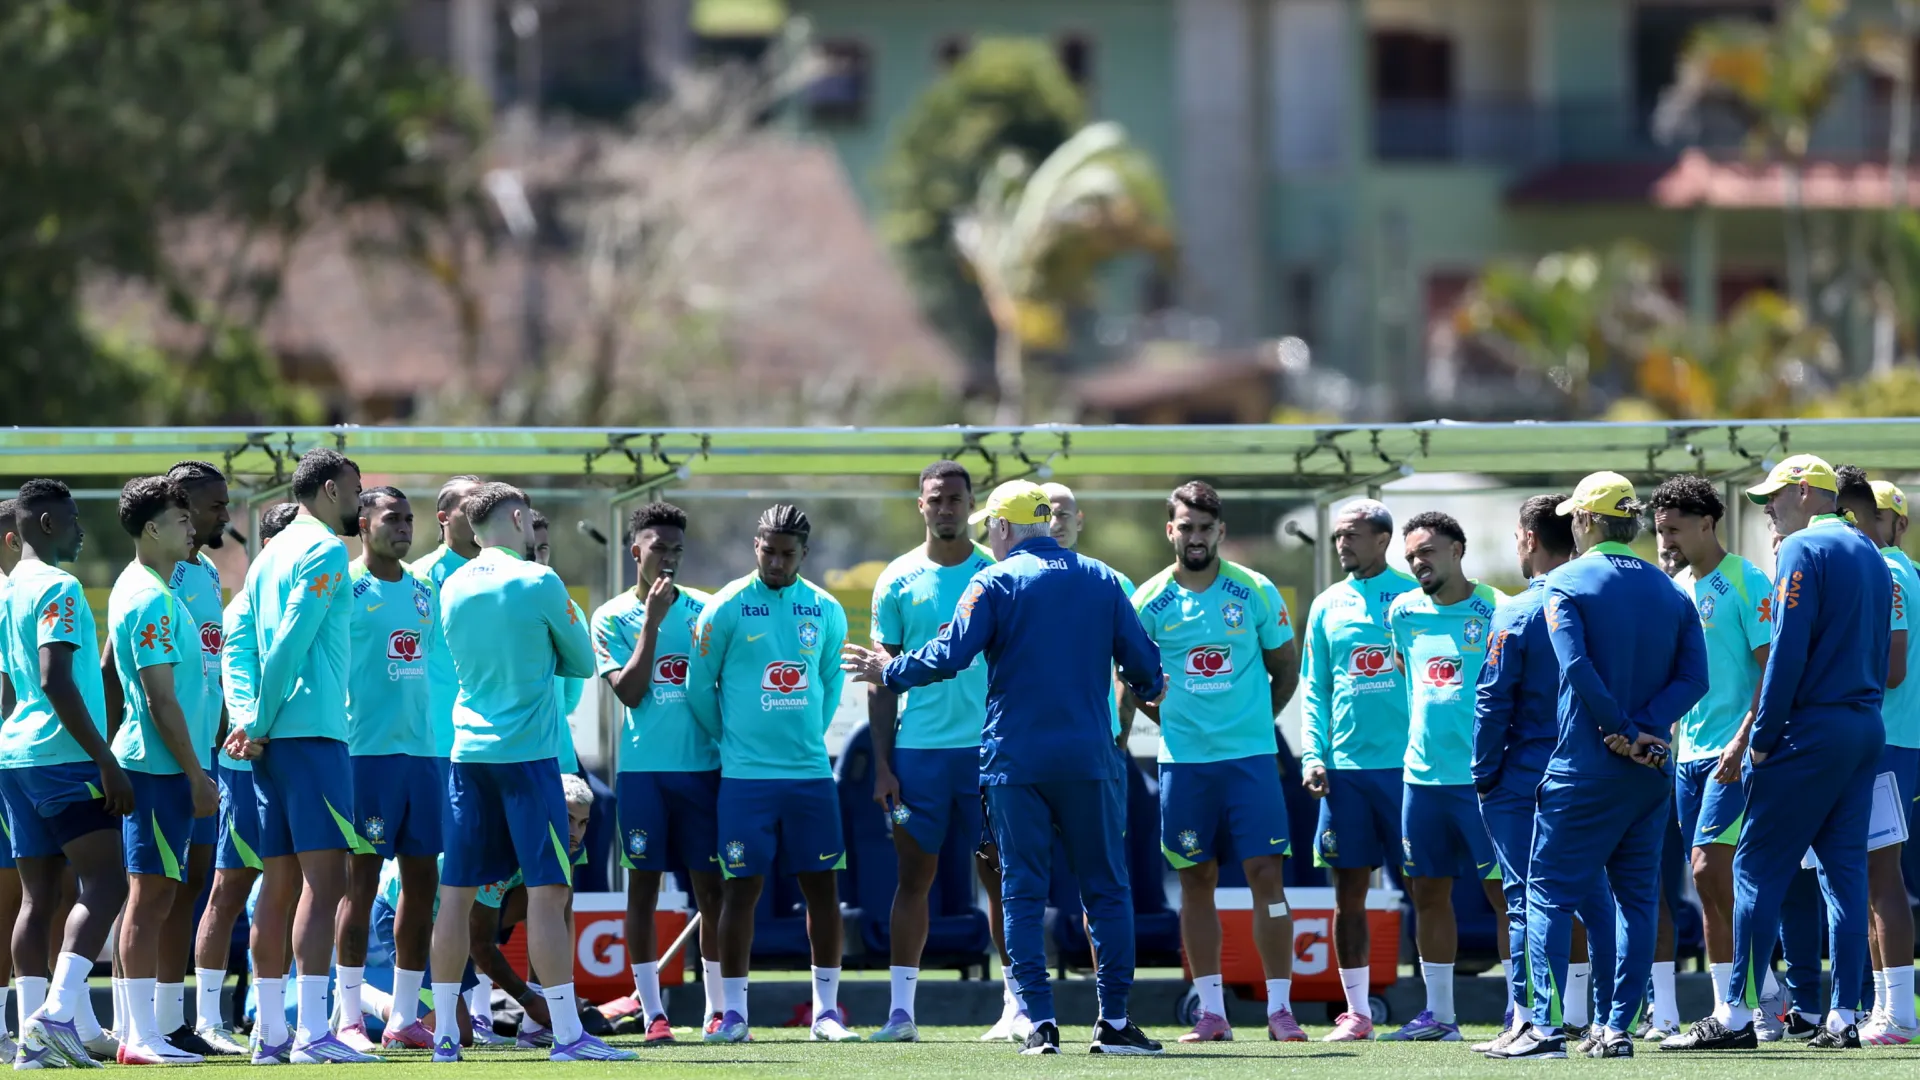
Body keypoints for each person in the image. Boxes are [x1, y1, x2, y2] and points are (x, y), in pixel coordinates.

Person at [843, 480, 1168, 1056]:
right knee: (1106, 890)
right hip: (1089, 760)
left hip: (1014, 761)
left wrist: (889, 671)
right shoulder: (1101, 578)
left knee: (1020, 891)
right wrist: (1149, 685)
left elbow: (950, 654)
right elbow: (1143, 664)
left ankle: (1039, 1024)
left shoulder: (991, 579)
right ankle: (1113, 1022)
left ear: (1001, 527)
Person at [1669, 454, 1890, 1051]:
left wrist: (1760, 739)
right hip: (1863, 726)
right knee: (1844, 876)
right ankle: (1845, 1014)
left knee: (1753, 869)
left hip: (1811, 730)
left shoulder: (1800, 549)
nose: (1767, 508)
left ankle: (1738, 1015)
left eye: (1774, 497)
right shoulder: (1871, 550)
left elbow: (1788, 652)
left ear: (1804, 491)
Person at [1493, 471, 1707, 1061]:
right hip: (1651, 770)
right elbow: (1695, 679)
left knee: (1547, 896)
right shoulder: (1672, 590)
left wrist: (1619, 727)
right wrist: (1645, 729)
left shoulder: (1564, 580)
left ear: (1585, 521)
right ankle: (1615, 1029)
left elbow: (1576, 666)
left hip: (1584, 767)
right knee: (1638, 901)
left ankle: (1544, 1029)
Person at [429, 482, 627, 1063]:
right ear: (517, 518)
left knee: (455, 895)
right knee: (547, 893)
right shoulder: (541, 581)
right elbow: (583, 661)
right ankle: (567, 1036)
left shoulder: (452, 583)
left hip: (467, 756)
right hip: (528, 755)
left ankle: (445, 1036)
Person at [1129, 481, 1303, 1043]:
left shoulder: (1254, 589)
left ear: (1220, 531)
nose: (1196, 537)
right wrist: (1173, 722)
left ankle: (1281, 1010)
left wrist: (1256, 722)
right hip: (1184, 766)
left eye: (1206, 528)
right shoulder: (1148, 600)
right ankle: (1212, 1013)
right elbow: (1133, 681)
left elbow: (1286, 667)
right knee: (1196, 880)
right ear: (1170, 530)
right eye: (1186, 527)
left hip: (1251, 761)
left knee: (1266, 877)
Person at [223, 448, 379, 1065]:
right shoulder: (320, 550)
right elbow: (291, 636)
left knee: (280, 883)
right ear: (329, 488)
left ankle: (271, 1037)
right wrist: (257, 719)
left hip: (271, 743)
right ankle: (314, 1034)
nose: (360, 500)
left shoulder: (264, 559)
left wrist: (245, 720)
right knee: (327, 880)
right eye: (355, 488)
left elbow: (239, 646)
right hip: (311, 736)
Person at [687, 505, 854, 1046]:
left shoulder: (825, 608)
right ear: (755, 546)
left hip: (809, 775)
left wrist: (807, 738)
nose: (776, 561)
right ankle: (734, 1015)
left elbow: (828, 684)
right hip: (745, 780)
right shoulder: (726, 606)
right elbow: (698, 688)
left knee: (823, 890)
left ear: (804, 554)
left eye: (787, 553)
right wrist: (733, 742)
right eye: (768, 551)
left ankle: (826, 1013)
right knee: (741, 892)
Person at [0, 478, 133, 1069]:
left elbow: (10, 686)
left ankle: (34, 1043)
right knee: (108, 884)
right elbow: (56, 679)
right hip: (63, 757)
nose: (81, 528)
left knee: (38, 897)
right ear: (47, 524)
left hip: (17, 757)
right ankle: (54, 1017)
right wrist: (106, 760)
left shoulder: (7, 592)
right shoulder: (59, 585)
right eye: (74, 519)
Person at [1473, 494, 1613, 1055]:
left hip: (1524, 774)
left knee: (1527, 898)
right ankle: (1609, 1020)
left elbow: (1491, 699)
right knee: (1599, 897)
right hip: (1592, 769)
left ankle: (1536, 1024)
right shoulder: (1601, 602)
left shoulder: (1519, 608)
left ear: (1529, 540)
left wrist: (1483, 772)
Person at [864, 462, 995, 1044]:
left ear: (973, 505)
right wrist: (884, 765)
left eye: (956, 499)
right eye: (937, 499)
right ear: (921, 504)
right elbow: (879, 679)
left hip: (989, 754)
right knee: (914, 877)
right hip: (919, 758)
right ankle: (901, 1013)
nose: (947, 508)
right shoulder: (896, 579)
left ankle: (1018, 1008)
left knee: (1001, 878)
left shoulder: (995, 572)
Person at [1647, 475, 1778, 1041]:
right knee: (1705, 884)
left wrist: (1743, 738)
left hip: (1734, 755)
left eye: (1674, 530)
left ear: (1707, 523)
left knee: (1708, 869)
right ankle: (1762, 993)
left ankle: (1737, 1010)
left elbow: (1772, 668)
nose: (1665, 541)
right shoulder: (1675, 588)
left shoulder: (1747, 580)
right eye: (1659, 531)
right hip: (1687, 757)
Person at [591, 501, 722, 1043]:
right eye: (657, 547)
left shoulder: (708, 609)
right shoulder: (610, 616)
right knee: (642, 890)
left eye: (676, 550)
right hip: (644, 774)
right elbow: (631, 692)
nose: (667, 559)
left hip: (703, 771)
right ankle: (652, 1013)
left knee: (711, 893)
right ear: (635, 550)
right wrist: (652, 620)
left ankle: (720, 1009)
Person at [103, 477, 218, 1064]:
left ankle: (137, 1029)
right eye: (180, 519)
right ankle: (139, 1038)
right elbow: (159, 700)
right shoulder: (149, 596)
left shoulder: (139, 586)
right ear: (152, 529)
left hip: (158, 766)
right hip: (158, 769)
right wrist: (197, 774)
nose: (191, 526)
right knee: (150, 900)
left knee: (151, 899)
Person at [1382, 512, 1507, 1042]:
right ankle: (1440, 1016)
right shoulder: (1402, 611)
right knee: (1427, 892)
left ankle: (1522, 1011)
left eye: (1428, 551)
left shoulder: (1497, 608)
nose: (1418, 563)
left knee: (1506, 897)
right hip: (1421, 779)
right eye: (1411, 555)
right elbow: (1410, 677)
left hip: (1484, 781)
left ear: (1458, 549)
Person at [1298, 499, 1418, 1041]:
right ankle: (1357, 1013)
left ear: (1382, 539)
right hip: (1345, 772)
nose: (1342, 543)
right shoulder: (1326, 604)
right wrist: (1313, 754)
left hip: (1411, 770)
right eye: (1338, 535)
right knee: (1348, 891)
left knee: (1427, 889)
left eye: (1353, 534)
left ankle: (1440, 1008)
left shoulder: (1414, 598)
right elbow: (1315, 689)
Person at [334, 487, 441, 1053]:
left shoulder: (425, 591)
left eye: (409, 519)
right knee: (361, 884)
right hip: (364, 755)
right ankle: (349, 1016)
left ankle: (402, 1016)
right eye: (391, 518)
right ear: (362, 523)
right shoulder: (345, 586)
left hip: (422, 754)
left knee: (422, 883)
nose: (403, 527)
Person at [193, 502, 297, 1055]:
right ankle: (209, 1017)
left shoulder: (306, 603)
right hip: (242, 767)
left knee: (292, 886)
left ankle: (270, 1018)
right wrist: (246, 726)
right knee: (231, 887)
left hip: (295, 766)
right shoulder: (243, 609)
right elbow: (234, 677)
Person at [1834, 468, 1918, 1044]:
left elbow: (1891, 669)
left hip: (1887, 738)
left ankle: (1899, 1014)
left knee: (1881, 875)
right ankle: (1887, 1010)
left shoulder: (1887, 569)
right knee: (1872, 876)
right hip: (1891, 737)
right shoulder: (1898, 568)